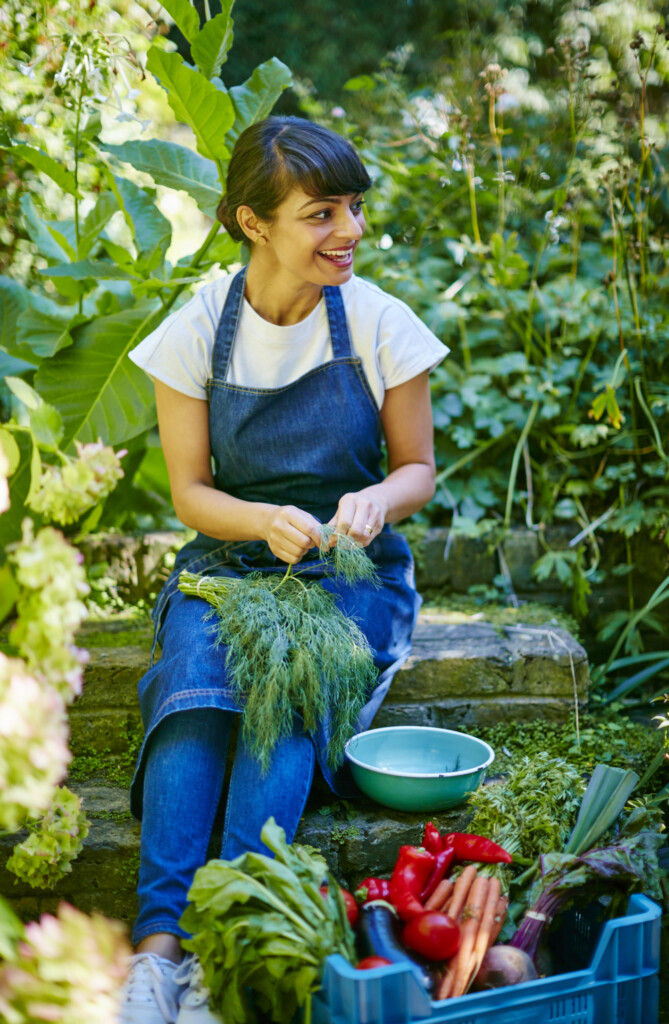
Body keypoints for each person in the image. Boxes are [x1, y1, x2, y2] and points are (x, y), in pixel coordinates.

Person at [118, 115, 449, 1024]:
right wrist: (261, 520)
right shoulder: (197, 329)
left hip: (351, 572)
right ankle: (156, 959)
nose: (349, 230)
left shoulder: (380, 322)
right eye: (319, 213)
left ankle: (222, 950)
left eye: (351, 208)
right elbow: (189, 492)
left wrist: (378, 501)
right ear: (250, 223)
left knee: (289, 691)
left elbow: (416, 467)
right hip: (230, 555)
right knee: (193, 687)